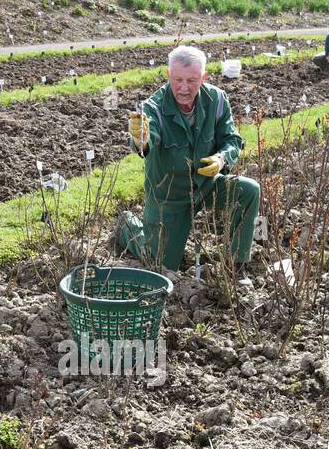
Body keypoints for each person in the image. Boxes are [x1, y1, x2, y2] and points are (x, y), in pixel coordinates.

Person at [111, 44, 260, 277]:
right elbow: (145, 144)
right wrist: (141, 139)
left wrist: (221, 159)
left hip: (206, 185)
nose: (183, 88)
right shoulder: (154, 108)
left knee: (249, 190)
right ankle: (127, 226)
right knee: (162, 264)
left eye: (191, 81)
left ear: (203, 78)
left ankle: (236, 267)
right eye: (177, 79)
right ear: (169, 75)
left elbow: (232, 139)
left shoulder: (217, 100)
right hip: (169, 197)